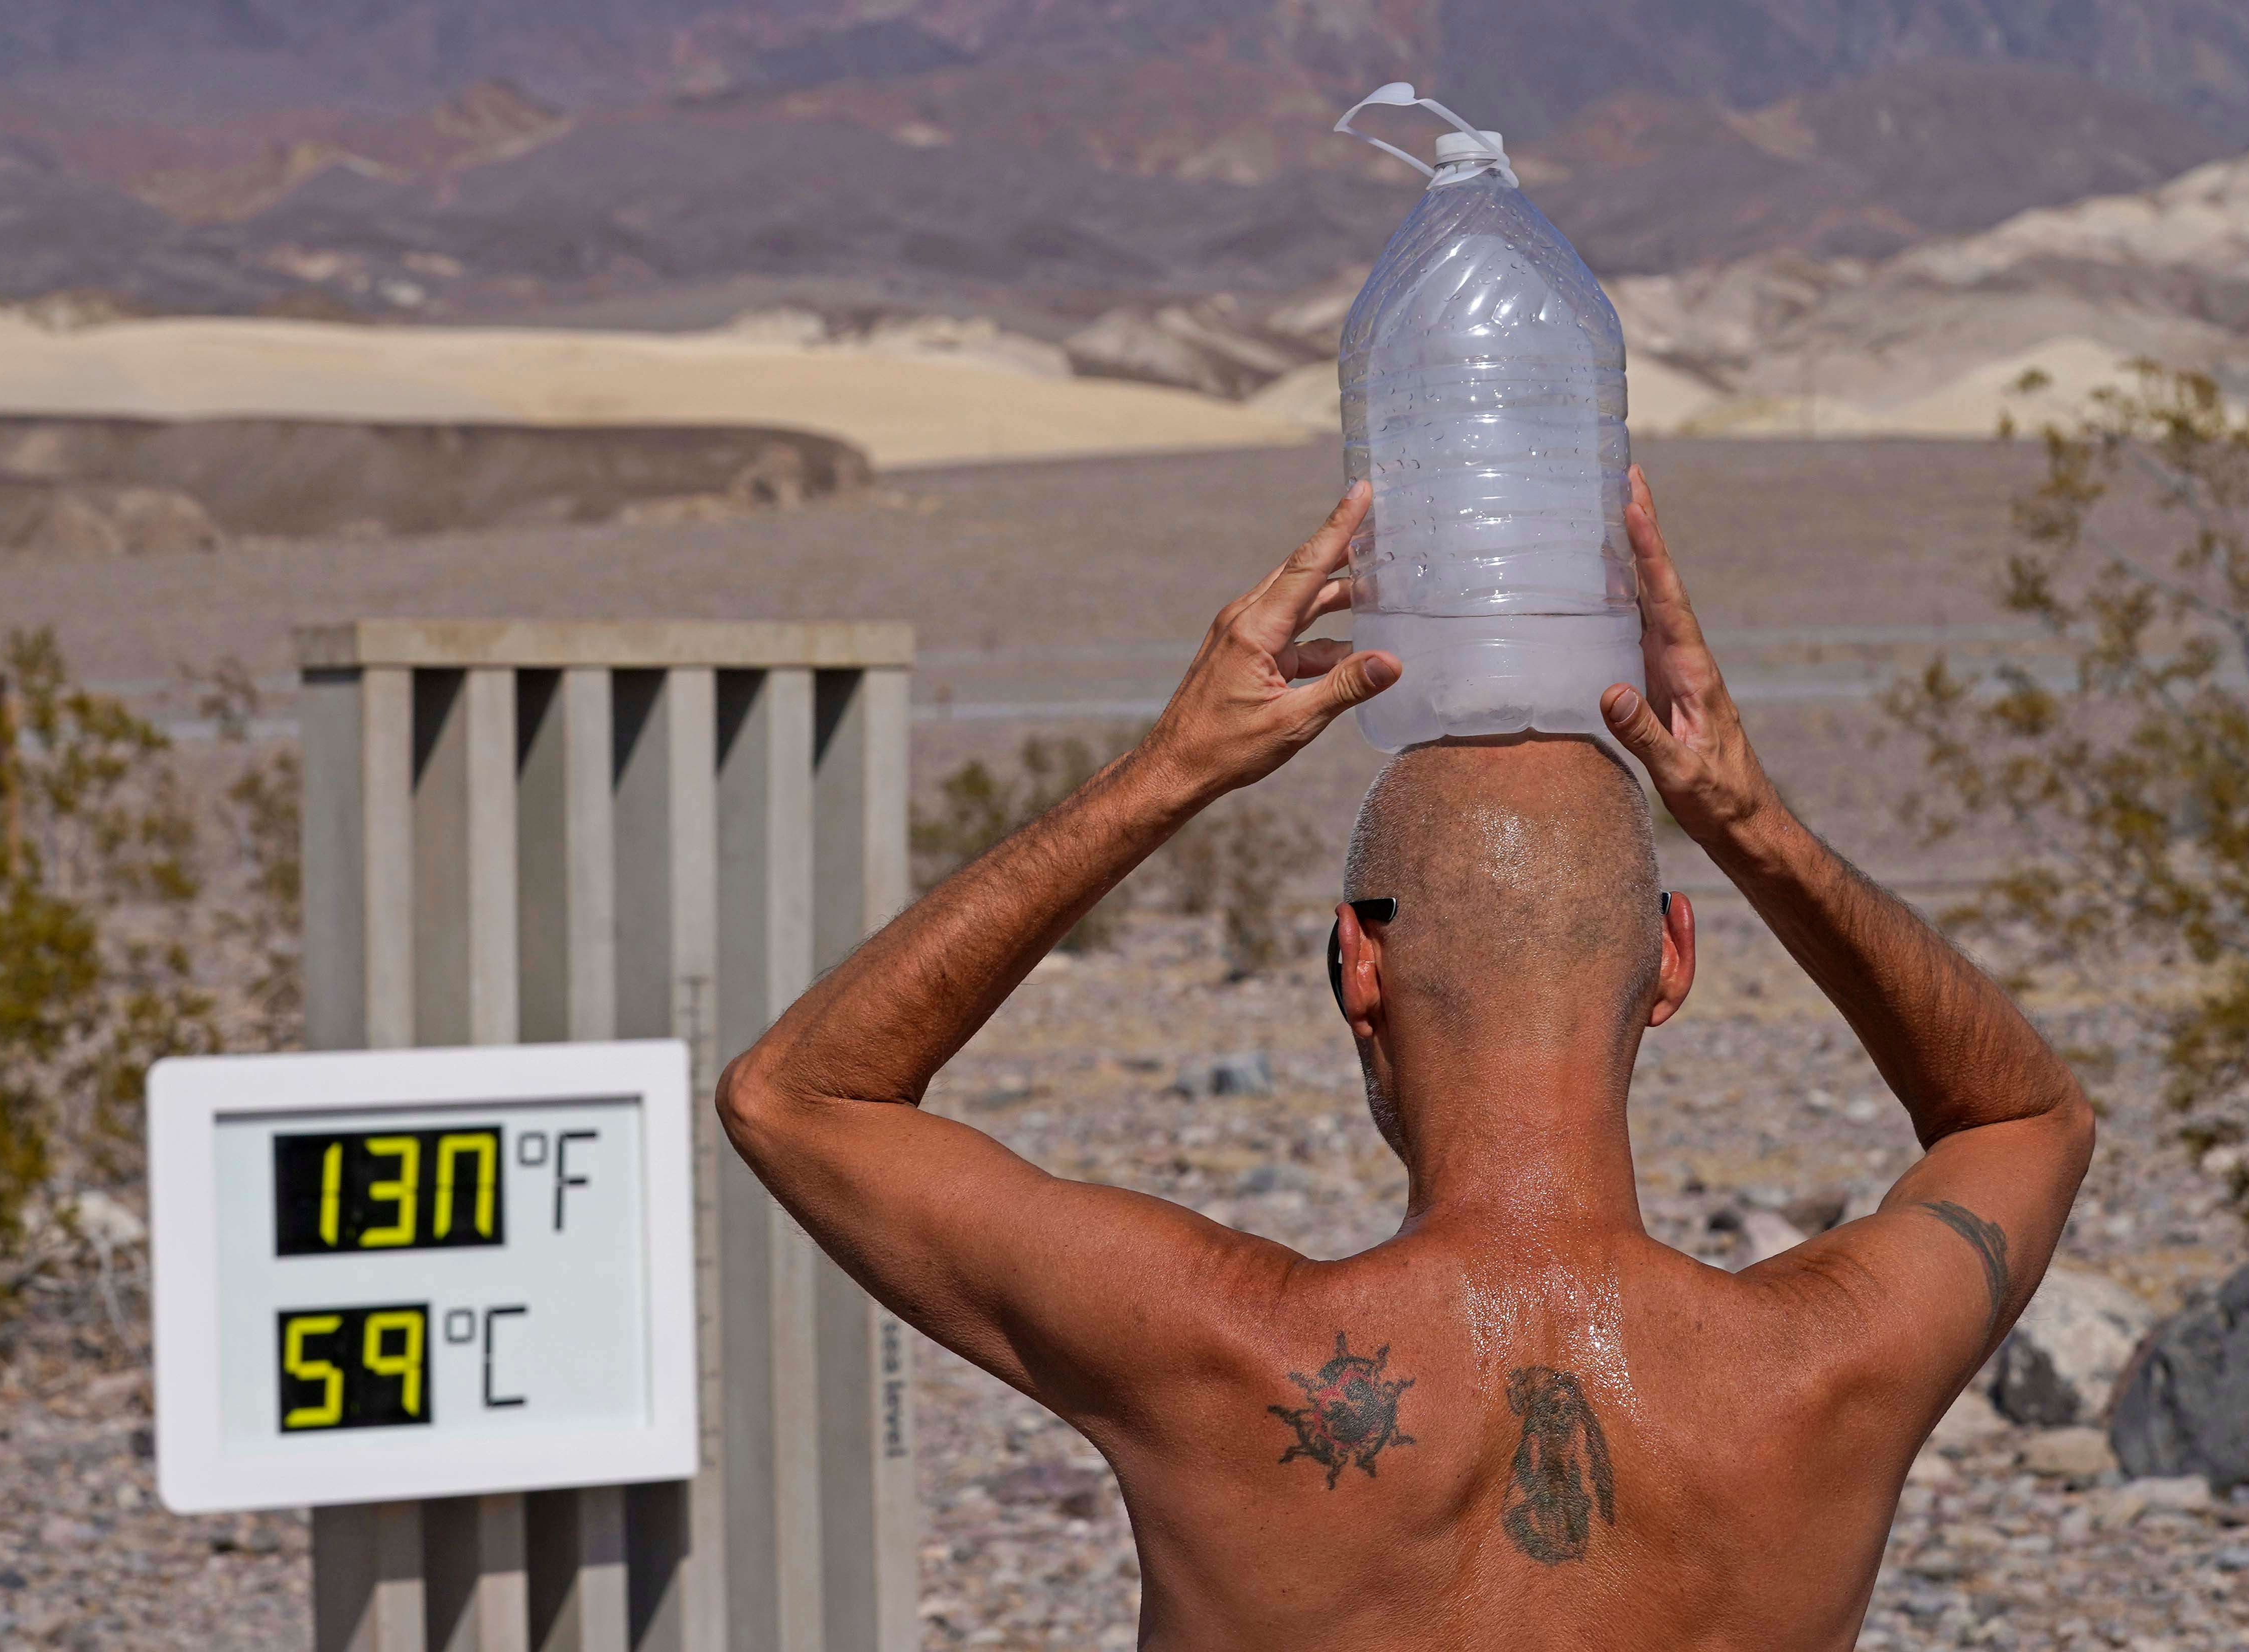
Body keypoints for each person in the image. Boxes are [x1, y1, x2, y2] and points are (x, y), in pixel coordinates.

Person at [719, 468, 2095, 1648]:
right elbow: (2027, 1121)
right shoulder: (1821, 1371)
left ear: (1356, 966)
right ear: (1674, 958)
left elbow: (800, 1097)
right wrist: (1755, 827)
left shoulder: (1217, 1353)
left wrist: (1170, 771)